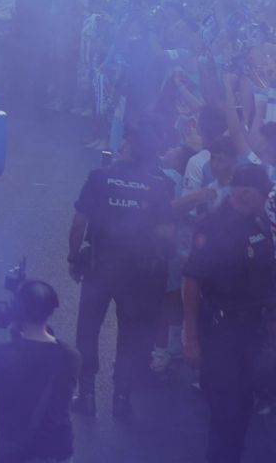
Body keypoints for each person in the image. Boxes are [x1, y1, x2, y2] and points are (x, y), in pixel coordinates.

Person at [68, 133, 173, 422]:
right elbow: (167, 235)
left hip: (99, 268)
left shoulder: (99, 177)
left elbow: (79, 223)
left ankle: (87, 396)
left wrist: (72, 257)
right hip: (137, 274)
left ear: (128, 151)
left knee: (88, 330)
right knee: (130, 334)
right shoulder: (158, 186)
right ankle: (122, 399)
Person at [182, 163, 276, 463]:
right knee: (225, 410)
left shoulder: (259, 222)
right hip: (222, 332)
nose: (266, 200)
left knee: (243, 407)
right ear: (246, 193)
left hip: (254, 333)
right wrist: (192, 339)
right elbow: (191, 285)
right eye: (264, 194)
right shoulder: (211, 228)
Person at [0, 278, 77, 463]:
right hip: (57, 451)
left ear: (18, 311)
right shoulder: (70, 356)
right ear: (50, 312)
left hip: (13, 450)